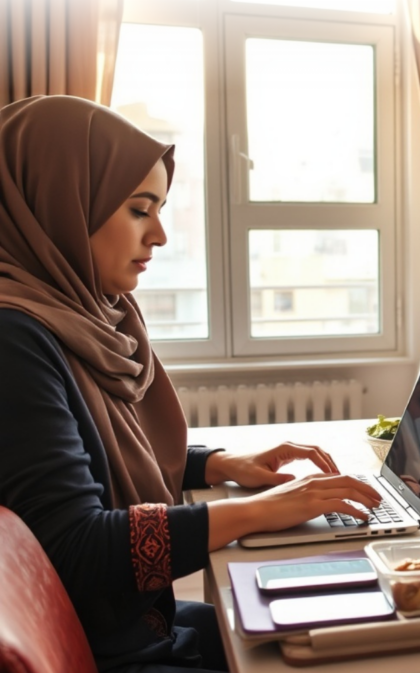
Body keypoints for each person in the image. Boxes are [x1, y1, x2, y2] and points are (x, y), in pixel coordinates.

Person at [0, 95, 383, 672]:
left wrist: (220, 465)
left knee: (356, 614)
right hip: (117, 654)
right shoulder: (14, 339)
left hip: (139, 627)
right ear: (62, 203)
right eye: (138, 209)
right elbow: (75, 548)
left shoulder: (78, 314)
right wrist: (259, 512)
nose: (159, 235)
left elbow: (93, 457)